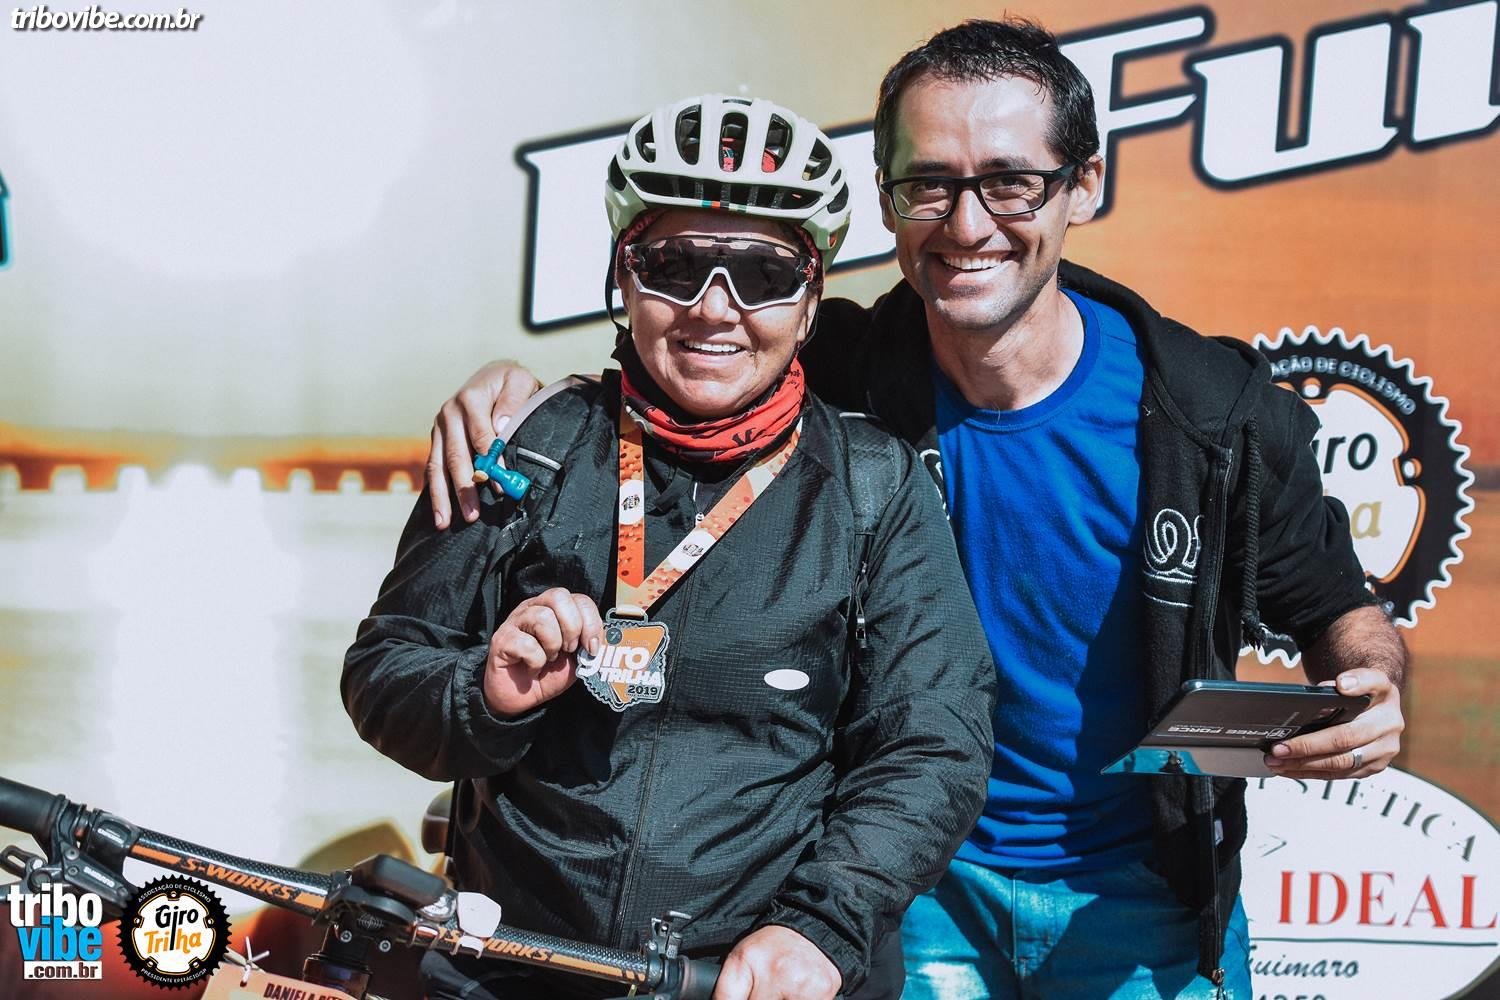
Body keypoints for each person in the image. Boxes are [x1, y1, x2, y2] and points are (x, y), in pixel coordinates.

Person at [425, 20, 1410, 1000]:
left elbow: (1337, 610)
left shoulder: (1212, 413)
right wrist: (517, 393)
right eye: (929, 184)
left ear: (1085, 185)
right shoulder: (838, 376)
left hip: (1144, 894)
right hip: (902, 891)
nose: (967, 224)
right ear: (886, 197)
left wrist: (1366, 689)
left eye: (1010, 182)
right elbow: (675, 370)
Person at [344, 93, 996, 1000]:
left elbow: (933, 744)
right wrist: (483, 693)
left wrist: (817, 929)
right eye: (675, 265)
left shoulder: (874, 484)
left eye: (763, 274)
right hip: (513, 972)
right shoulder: (526, 443)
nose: (714, 309)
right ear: (623, 275)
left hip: (753, 982)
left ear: (811, 298)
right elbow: (384, 669)